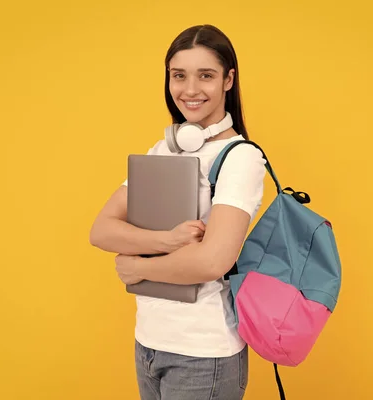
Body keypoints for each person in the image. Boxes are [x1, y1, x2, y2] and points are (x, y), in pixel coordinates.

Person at [89, 24, 266, 400]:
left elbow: (213, 261)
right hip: (149, 342)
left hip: (204, 353)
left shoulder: (241, 158)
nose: (190, 89)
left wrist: (139, 267)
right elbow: (102, 229)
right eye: (178, 75)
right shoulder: (162, 150)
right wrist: (167, 240)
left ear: (228, 80)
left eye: (206, 75)